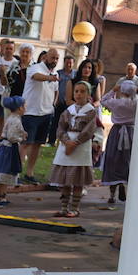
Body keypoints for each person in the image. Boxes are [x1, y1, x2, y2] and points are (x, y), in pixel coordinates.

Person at [49, 80, 98, 218]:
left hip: (81, 146)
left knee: (77, 180)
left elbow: (89, 130)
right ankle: (64, 207)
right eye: (76, 91)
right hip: (66, 144)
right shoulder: (68, 111)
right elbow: (61, 127)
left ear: (88, 94)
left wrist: (76, 142)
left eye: (82, 91)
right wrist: (66, 141)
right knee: (65, 179)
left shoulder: (90, 111)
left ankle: (75, 208)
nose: (79, 94)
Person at [19, 47, 60, 184]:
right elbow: (36, 77)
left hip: (46, 114)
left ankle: (29, 173)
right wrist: (50, 78)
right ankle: (16, 174)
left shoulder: (54, 73)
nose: (54, 61)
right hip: (31, 112)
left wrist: (52, 105)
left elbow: (55, 92)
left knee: (37, 145)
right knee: (25, 144)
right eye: (52, 57)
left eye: (56, 58)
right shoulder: (35, 68)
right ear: (45, 58)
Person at [98, 77, 136, 204]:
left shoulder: (116, 103)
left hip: (116, 132)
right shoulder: (136, 103)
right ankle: (126, 186)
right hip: (131, 133)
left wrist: (113, 91)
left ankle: (112, 194)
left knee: (113, 159)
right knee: (128, 159)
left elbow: (103, 100)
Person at [0, 95, 27, 206]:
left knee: (2, 172)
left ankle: (0, 194)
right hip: (9, 149)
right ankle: (2, 196)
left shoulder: (10, 118)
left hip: (3, 147)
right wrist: (21, 138)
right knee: (6, 172)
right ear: (20, 108)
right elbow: (12, 137)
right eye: (24, 106)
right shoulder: (16, 120)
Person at [48, 55, 75, 147]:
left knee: (69, 123)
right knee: (55, 122)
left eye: (70, 63)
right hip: (59, 102)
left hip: (70, 103)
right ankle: (51, 141)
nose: (69, 64)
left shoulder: (75, 74)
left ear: (73, 63)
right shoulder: (58, 73)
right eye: (67, 62)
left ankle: (65, 141)